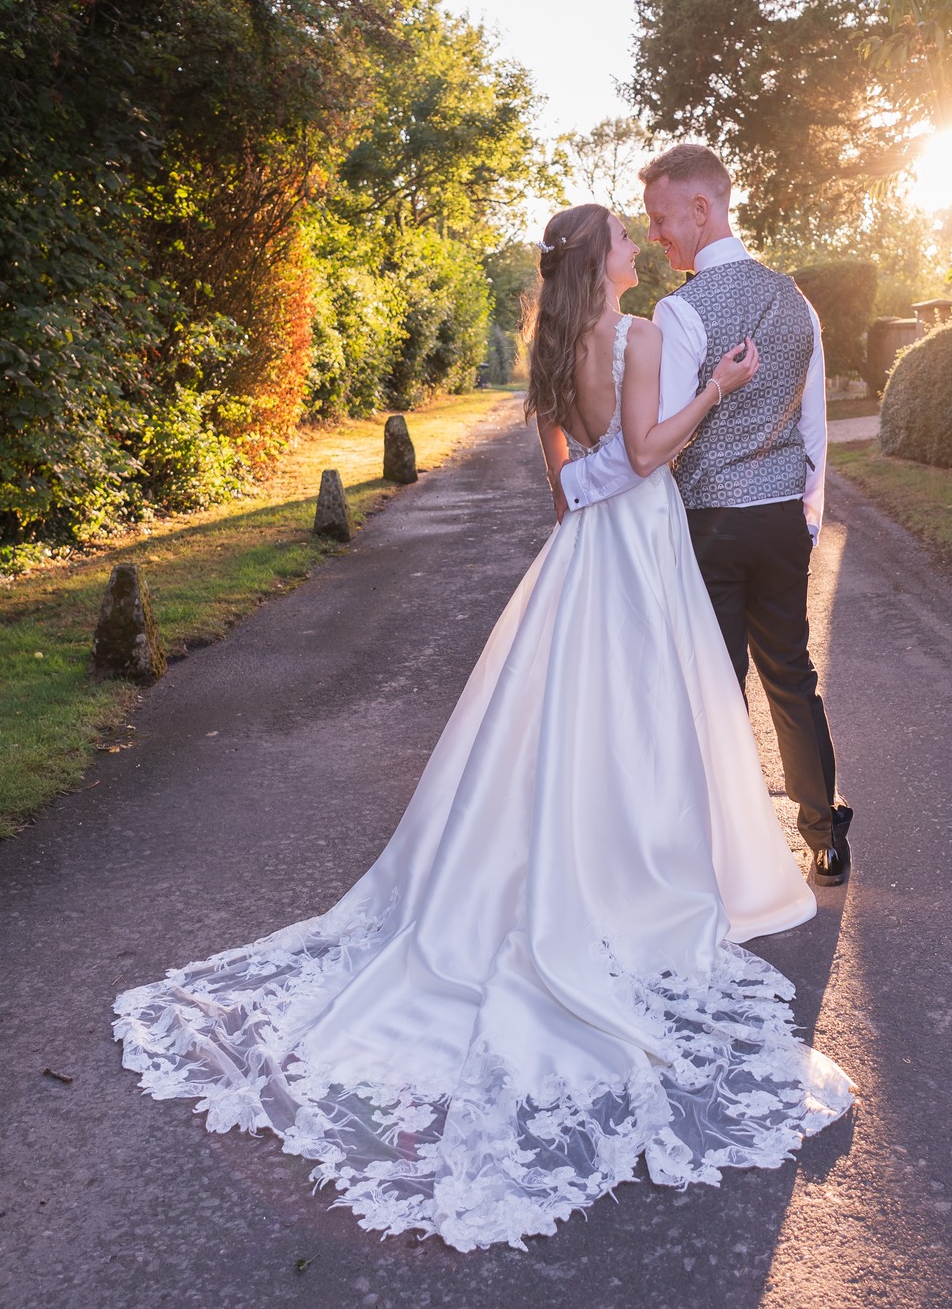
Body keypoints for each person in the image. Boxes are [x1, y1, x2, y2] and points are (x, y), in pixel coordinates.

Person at [112, 202, 853, 1253]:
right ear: (604, 262)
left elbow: (567, 494)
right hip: (640, 551)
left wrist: (625, 460)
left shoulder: (549, 355)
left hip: (581, 562)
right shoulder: (640, 336)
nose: (641, 251)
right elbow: (645, 453)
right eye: (627, 243)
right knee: (643, 726)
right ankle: (632, 878)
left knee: (568, 726)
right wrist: (721, 391)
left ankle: (585, 868)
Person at [557, 143, 852, 887]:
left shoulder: (679, 311)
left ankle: (713, 856)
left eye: (661, 219)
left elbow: (650, 438)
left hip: (706, 527)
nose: (655, 236)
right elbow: (813, 426)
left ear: (702, 207)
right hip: (782, 517)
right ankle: (823, 835)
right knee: (792, 673)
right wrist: (808, 518)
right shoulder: (797, 299)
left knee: (712, 688)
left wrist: (575, 486)